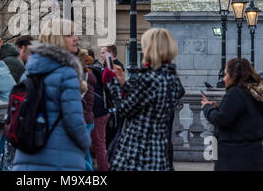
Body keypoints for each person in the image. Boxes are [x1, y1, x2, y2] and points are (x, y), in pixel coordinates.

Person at [12, 18, 90, 171]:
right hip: (60, 157)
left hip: (27, 152)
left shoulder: (29, 72)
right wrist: (85, 142)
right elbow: (74, 120)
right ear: (58, 39)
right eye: (70, 35)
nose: (76, 38)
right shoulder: (67, 73)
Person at [108, 28, 185, 171]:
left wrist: (114, 84)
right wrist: (124, 84)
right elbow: (143, 102)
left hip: (138, 150)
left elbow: (124, 110)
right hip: (159, 148)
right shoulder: (172, 78)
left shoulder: (149, 78)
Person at [202, 58, 263, 171]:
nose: (224, 79)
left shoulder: (236, 92)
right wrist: (218, 108)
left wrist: (207, 108)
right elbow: (242, 117)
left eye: (225, 74)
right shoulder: (255, 93)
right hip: (254, 154)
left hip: (234, 156)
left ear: (234, 75)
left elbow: (221, 119)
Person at [86, 49, 111, 171]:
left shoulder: (90, 72)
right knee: (96, 143)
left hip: (97, 112)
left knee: (99, 144)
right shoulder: (98, 68)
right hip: (102, 110)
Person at [78, 49, 95, 171]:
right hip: (89, 117)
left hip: (85, 117)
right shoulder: (88, 74)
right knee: (85, 151)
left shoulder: (84, 76)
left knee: (81, 153)